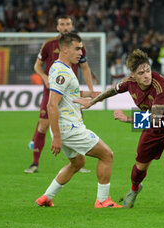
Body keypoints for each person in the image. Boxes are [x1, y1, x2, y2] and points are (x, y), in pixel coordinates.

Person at [74, 49, 164, 213]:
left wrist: (126, 118)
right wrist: (93, 102)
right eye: (141, 73)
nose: (147, 75)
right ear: (133, 75)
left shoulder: (162, 87)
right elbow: (113, 90)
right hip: (153, 130)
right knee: (139, 168)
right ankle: (134, 189)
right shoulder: (129, 83)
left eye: (148, 70)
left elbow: (155, 117)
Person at [35, 32, 121, 208]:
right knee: (107, 155)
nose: (81, 52)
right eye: (77, 48)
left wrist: (90, 95)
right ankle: (103, 200)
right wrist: (57, 136)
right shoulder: (62, 72)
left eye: (81, 48)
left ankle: (47, 197)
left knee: (78, 162)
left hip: (66, 126)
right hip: (69, 127)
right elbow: (52, 104)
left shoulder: (59, 68)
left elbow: (68, 93)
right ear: (64, 49)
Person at [25, 15, 97, 174]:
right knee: (43, 125)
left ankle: (80, 163)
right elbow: (37, 66)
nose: (65, 27)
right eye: (62, 24)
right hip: (51, 90)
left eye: (68, 24)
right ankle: (34, 163)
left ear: (71, 26)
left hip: (71, 91)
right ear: (57, 27)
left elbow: (85, 68)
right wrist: (44, 77)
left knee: (78, 124)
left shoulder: (78, 46)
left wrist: (91, 90)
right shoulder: (49, 44)